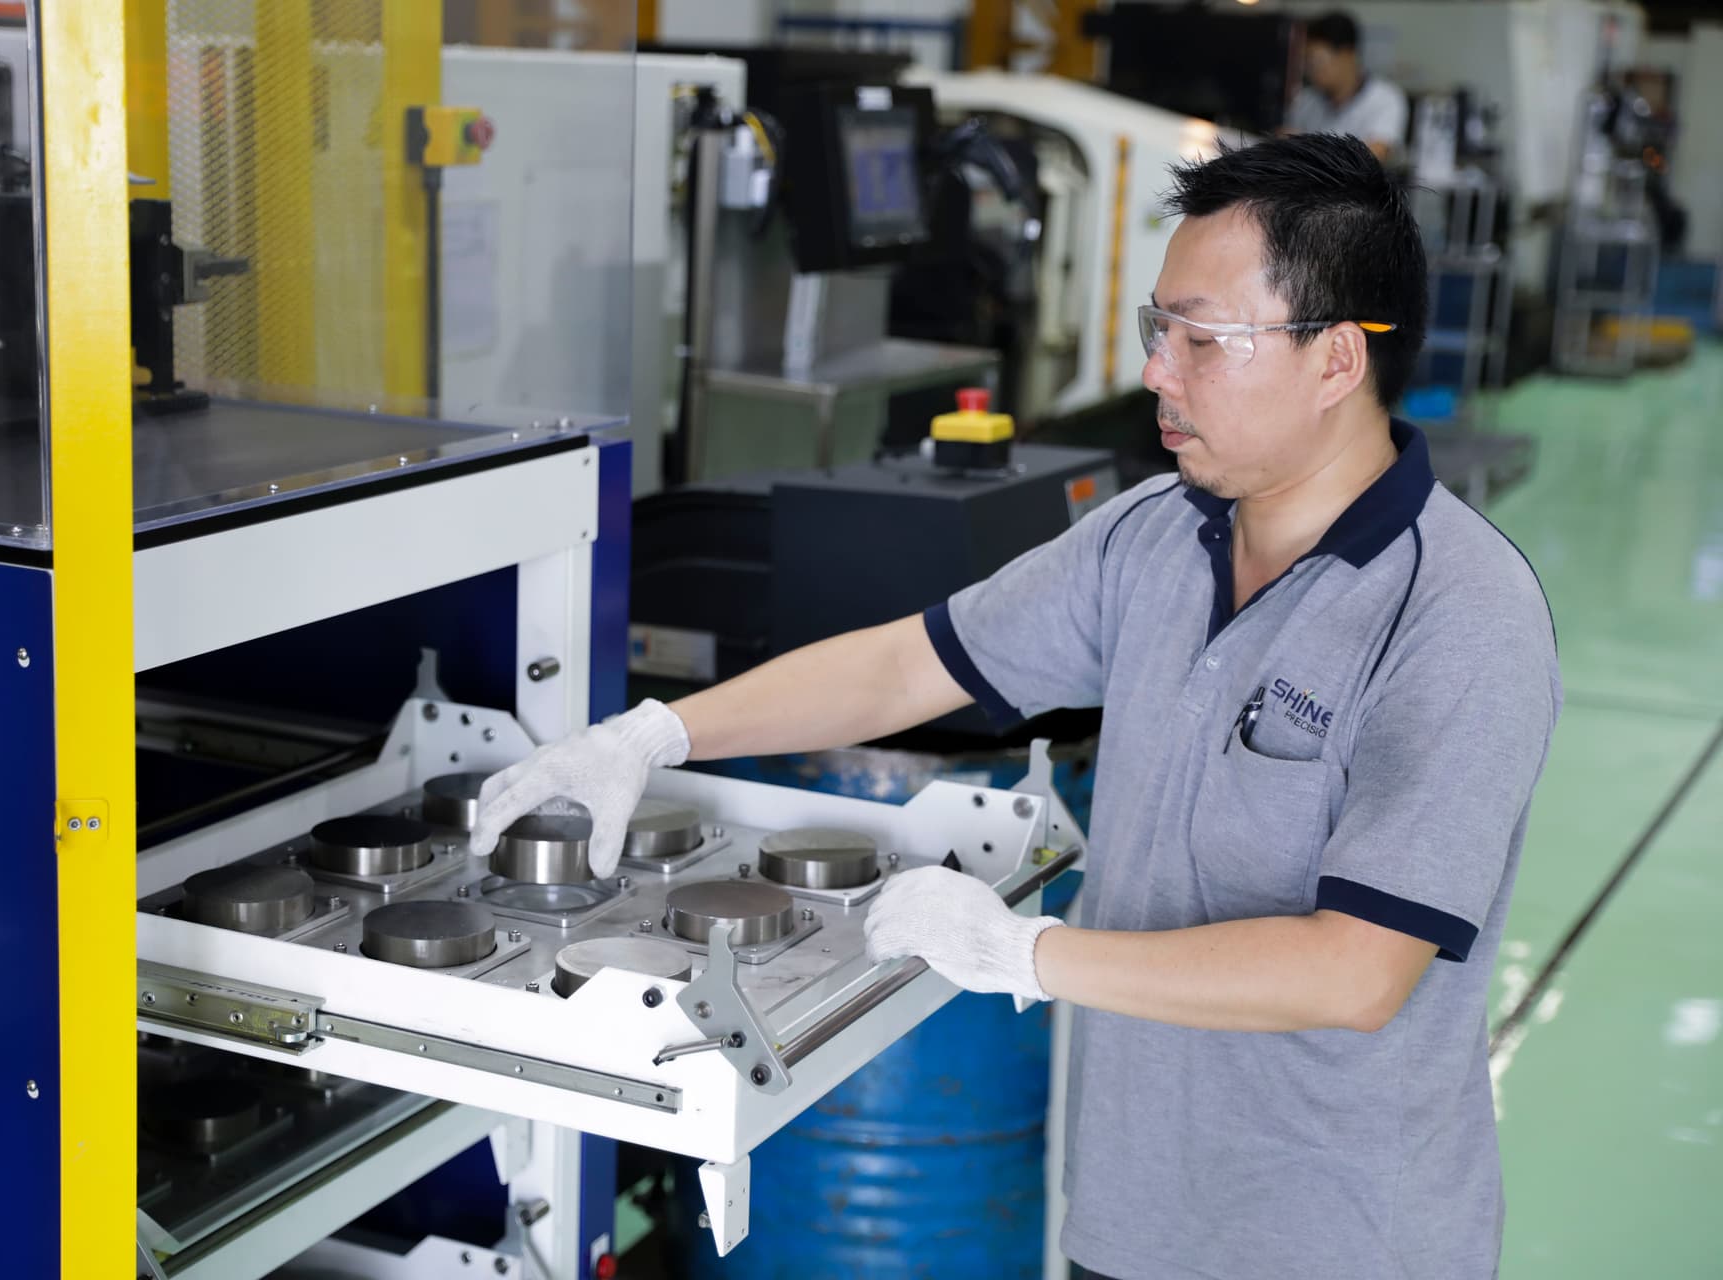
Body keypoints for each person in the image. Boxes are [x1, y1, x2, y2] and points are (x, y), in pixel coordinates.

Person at [471, 134, 1559, 1280]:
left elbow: (1354, 971)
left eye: (1202, 338)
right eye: (1158, 329)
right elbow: (910, 666)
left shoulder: (1459, 613)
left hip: (1339, 1244)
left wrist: (1027, 952)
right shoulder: (1155, 537)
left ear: (1337, 358)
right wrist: (657, 731)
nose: (1158, 372)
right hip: (1129, 1225)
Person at [1285, 11, 1410, 163]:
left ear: (1347, 54)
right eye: (1306, 62)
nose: (1311, 70)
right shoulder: (1305, 100)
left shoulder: (1386, 99)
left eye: (1317, 61)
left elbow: (1376, 153)